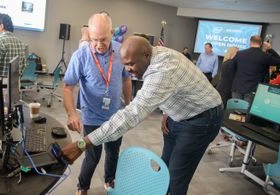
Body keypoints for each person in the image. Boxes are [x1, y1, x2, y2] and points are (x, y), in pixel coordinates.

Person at [61, 36, 223, 195]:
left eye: (131, 64)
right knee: (164, 171)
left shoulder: (162, 71)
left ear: (146, 55)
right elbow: (178, 84)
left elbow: (131, 115)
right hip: (179, 115)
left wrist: (82, 144)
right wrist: (168, 111)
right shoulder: (154, 55)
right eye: (125, 65)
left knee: (175, 179)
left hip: (202, 120)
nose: (128, 70)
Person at [63, 13, 132, 195]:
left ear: (111, 33)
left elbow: (126, 80)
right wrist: (72, 114)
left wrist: (130, 104)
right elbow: (68, 87)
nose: (99, 45)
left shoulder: (121, 51)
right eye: (95, 40)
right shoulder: (81, 56)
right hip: (92, 115)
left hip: (116, 115)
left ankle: (110, 181)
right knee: (92, 156)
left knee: (113, 152)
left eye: (103, 39)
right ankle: (82, 187)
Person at [230, 35, 280, 103]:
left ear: (250, 42)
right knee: (247, 112)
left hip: (237, 88)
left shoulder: (240, 53)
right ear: (261, 43)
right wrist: (270, 48)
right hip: (252, 90)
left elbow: (231, 68)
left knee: (235, 111)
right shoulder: (265, 56)